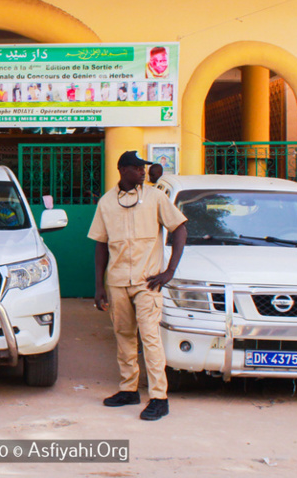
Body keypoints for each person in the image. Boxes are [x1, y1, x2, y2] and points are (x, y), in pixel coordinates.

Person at [88, 151, 187, 421]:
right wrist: (99, 286)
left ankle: (159, 397)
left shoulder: (155, 197)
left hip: (147, 281)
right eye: (136, 168)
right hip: (118, 281)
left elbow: (179, 228)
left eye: (143, 168)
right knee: (124, 336)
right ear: (122, 170)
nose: (142, 172)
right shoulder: (107, 202)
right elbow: (101, 244)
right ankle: (129, 389)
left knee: (150, 337)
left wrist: (169, 271)